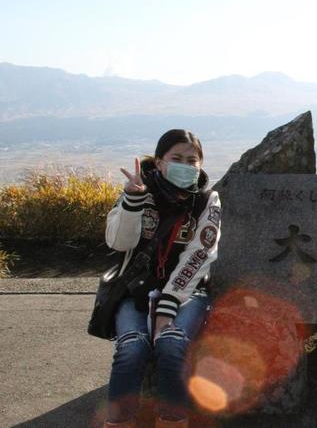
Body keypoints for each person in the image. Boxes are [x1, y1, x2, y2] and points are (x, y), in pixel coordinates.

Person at [103, 129, 221, 428]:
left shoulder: (207, 200)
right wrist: (132, 200)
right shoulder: (138, 192)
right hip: (135, 291)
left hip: (188, 292)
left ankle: (173, 421)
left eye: (192, 160)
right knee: (131, 349)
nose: (185, 165)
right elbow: (118, 242)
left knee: (171, 344)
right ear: (159, 162)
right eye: (176, 158)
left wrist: (168, 304)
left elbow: (201, 254)